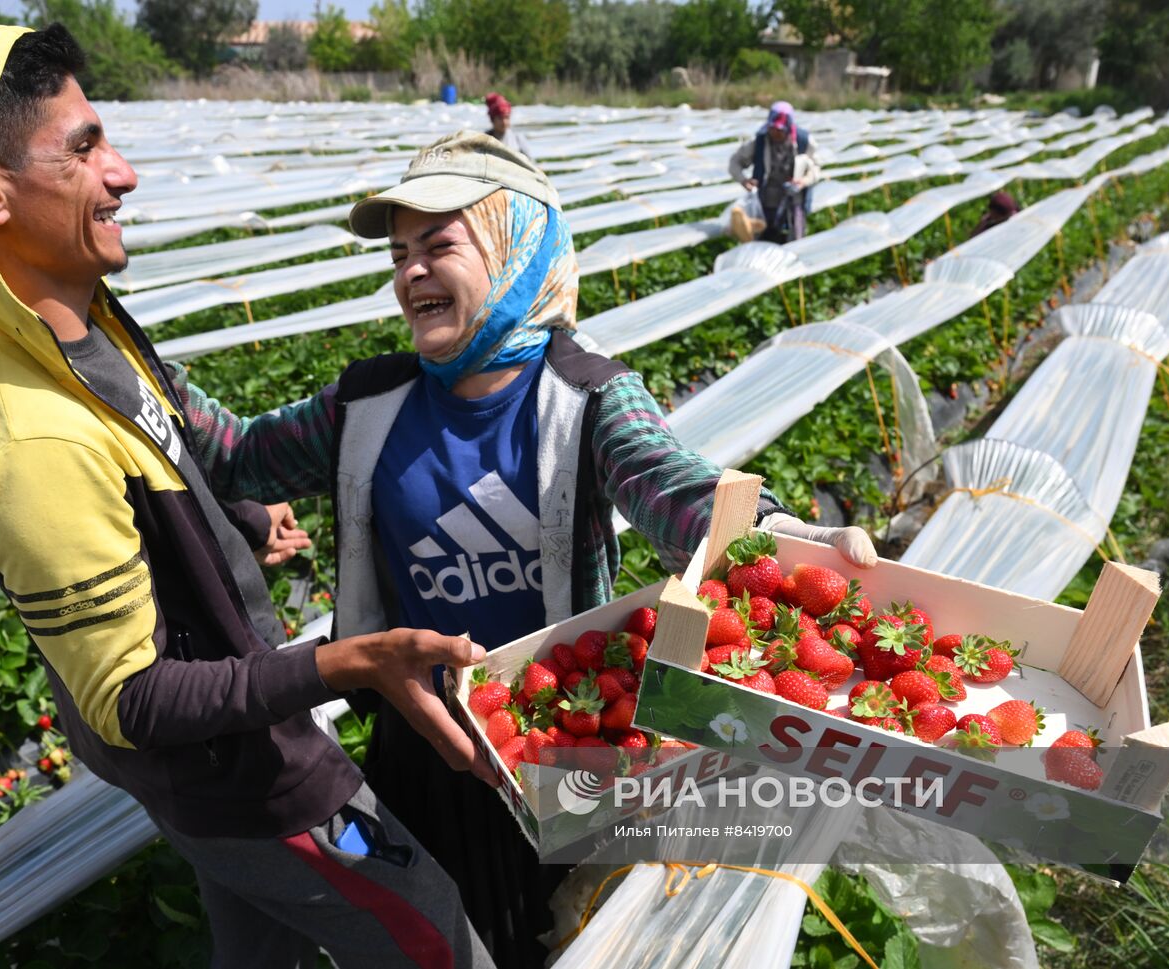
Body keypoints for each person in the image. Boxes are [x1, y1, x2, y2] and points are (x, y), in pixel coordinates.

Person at [0, 20, 497, 969]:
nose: (124, 173)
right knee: (430, 925)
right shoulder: (25, 438)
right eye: (83, 149)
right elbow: (134, 698)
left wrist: (233, 525)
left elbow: (155, 472)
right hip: (252, 778)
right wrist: (346, 662)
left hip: (216, 777)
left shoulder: (76, 321)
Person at [170, 131, 879, 966]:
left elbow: (671, 486)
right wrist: (124, 360)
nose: (410, 273)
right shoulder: (366, 403)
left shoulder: (587, 396)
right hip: (418, 740)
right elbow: (234, 456)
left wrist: (784, 538)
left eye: (439, 245)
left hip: (551, 738)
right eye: (400, 254)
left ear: (517, 250)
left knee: (551, 936)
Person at [727, 100, 822, 244]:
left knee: (795, 241)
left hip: (793, 201)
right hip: (766, 201)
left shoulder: (803, 142)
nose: (775, 133)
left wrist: (803, 181)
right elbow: (735, 162)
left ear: (789, 128)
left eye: (780, 130)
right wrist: (744, 180)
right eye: (772, 128)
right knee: (762, 238)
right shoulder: (759, 141)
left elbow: (815, 168)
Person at [484, 92, 534, 159]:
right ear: (492, 119)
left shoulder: (517, 138)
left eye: (506, 117)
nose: (504, 122)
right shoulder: (485, 139)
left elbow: (530, 162)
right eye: (500, 118)